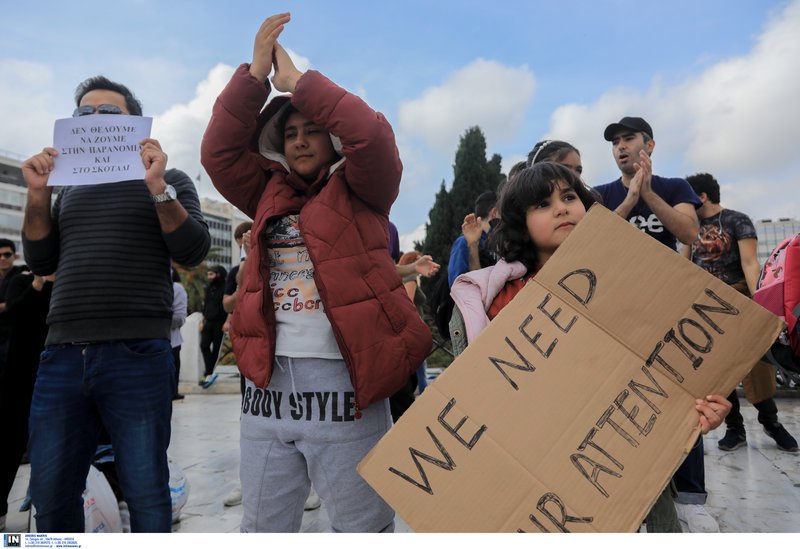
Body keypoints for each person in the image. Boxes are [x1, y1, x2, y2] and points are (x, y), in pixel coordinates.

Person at [200, 13, 430, 533]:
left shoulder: (365, 191)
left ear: (333, 140)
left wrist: (298, 84)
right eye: (291, 133)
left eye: (312, 131)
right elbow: (218, 154)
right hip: (267, 387)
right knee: (262, 527)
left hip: (345, 385)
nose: (300, 141)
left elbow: (372, 137)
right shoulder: (266, 192)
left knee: (362, 527)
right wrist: (253, 78)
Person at [450, 162, 731, 533]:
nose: (561, 209)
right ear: (520, 222)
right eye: (542, 204)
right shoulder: (498, 301)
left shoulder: (631, 284)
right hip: (541, 481)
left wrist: (697, 411)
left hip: (619, 471)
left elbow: (664, 375)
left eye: (569, 197)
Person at [20, 75, 210, 532]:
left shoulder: (169, 179)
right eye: (84, 112)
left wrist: (157, 186)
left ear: (135, 123)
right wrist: (37, 193)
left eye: (109, 112)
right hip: (63, 354)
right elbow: (41, 260)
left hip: (137, 354)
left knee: (145, 490)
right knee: (50, 493)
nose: (95, 119)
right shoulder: (67, 188)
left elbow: (192, 250)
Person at [594, 116, 717, 532]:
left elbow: (689, 233)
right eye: (615, 141)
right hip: (617, 314)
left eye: (628, 138)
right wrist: (630, 200)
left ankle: (691, 498)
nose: (620, 146)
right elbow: (593, 240)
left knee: (683, 399)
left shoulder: (674, 187)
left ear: (649, 145)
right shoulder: (601, 194)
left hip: (669, 310)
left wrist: (648, 193)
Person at [684, 173, 797, 452]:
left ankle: (771, 423)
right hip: (705, 304)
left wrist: (761, 305)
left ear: (701, 197)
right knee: (717, 371)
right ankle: (735, 429)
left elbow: (749, 264)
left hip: (739, 299)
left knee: (755, 365)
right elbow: (684, 265)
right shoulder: (688, 226)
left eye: (687, 198)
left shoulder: (737, 220)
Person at [0, 268, 53, 532]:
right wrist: (38, 283)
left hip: (56, 374)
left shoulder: (68, 283)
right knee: (10, 446)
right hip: (20, 377)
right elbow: (13, 314)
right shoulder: (22, 281)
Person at [448, 191, 499, 287]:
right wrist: (473, 246)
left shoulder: (496, 241)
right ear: (494, 212)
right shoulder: (463, 242)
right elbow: (457, 286)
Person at [200, 264, 227, 387]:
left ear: (218, 275)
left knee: (217, 348)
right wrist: (202, 321)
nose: (209, 277)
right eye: (208, 274)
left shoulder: (225, 288)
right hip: (208, 322)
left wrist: (227, 322)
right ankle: (209, 371)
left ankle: (209, 373)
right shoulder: (209, 288)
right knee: (204, 345)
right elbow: (205, 305)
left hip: (220, 323)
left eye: (211, 274)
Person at [171, 268, 188, 401]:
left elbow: (180, 318)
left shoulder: (177, 289)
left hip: (171, 341)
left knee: (173, 370)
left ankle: (173, 391)